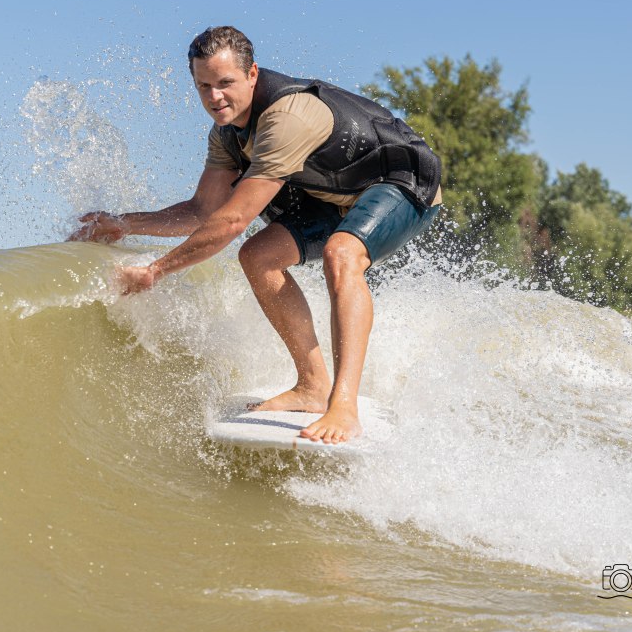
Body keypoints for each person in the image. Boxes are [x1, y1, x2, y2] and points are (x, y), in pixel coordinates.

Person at [70, 26, 442, 444]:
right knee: (258, 256)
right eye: (204, 86)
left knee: (342, 255)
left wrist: (155, 271)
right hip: (335, 195)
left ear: (252, 75)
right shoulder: (226, 135)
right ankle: (312, 385)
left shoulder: (287, 118)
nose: (215, 97)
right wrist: (123, 223)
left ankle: (344, 407)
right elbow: (203, 211)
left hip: (404, 181)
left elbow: (232, 221)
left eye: (225, 82)